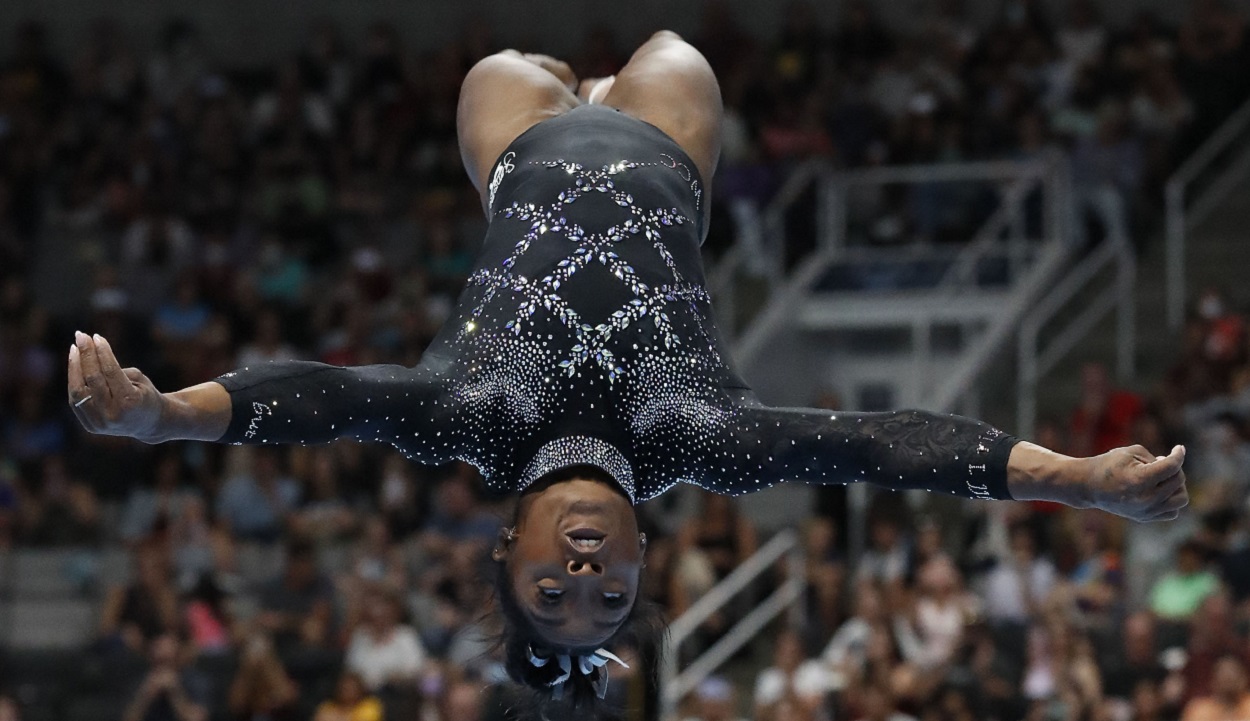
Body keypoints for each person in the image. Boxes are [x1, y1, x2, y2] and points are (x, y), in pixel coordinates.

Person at [67, 30, 1188, 713]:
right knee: (664, 51)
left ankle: (563, 81)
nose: (587, 573)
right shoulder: (692, 437)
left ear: (507, 549)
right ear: (645, 554)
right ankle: (610, 84)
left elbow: (316, 399)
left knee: (513, 67)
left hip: (513, 151)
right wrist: (1074, 480)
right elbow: (880, 444)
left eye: (551, 590)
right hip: (666, 150)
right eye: (607, 595)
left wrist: (164, 415)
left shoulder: (474, 422)